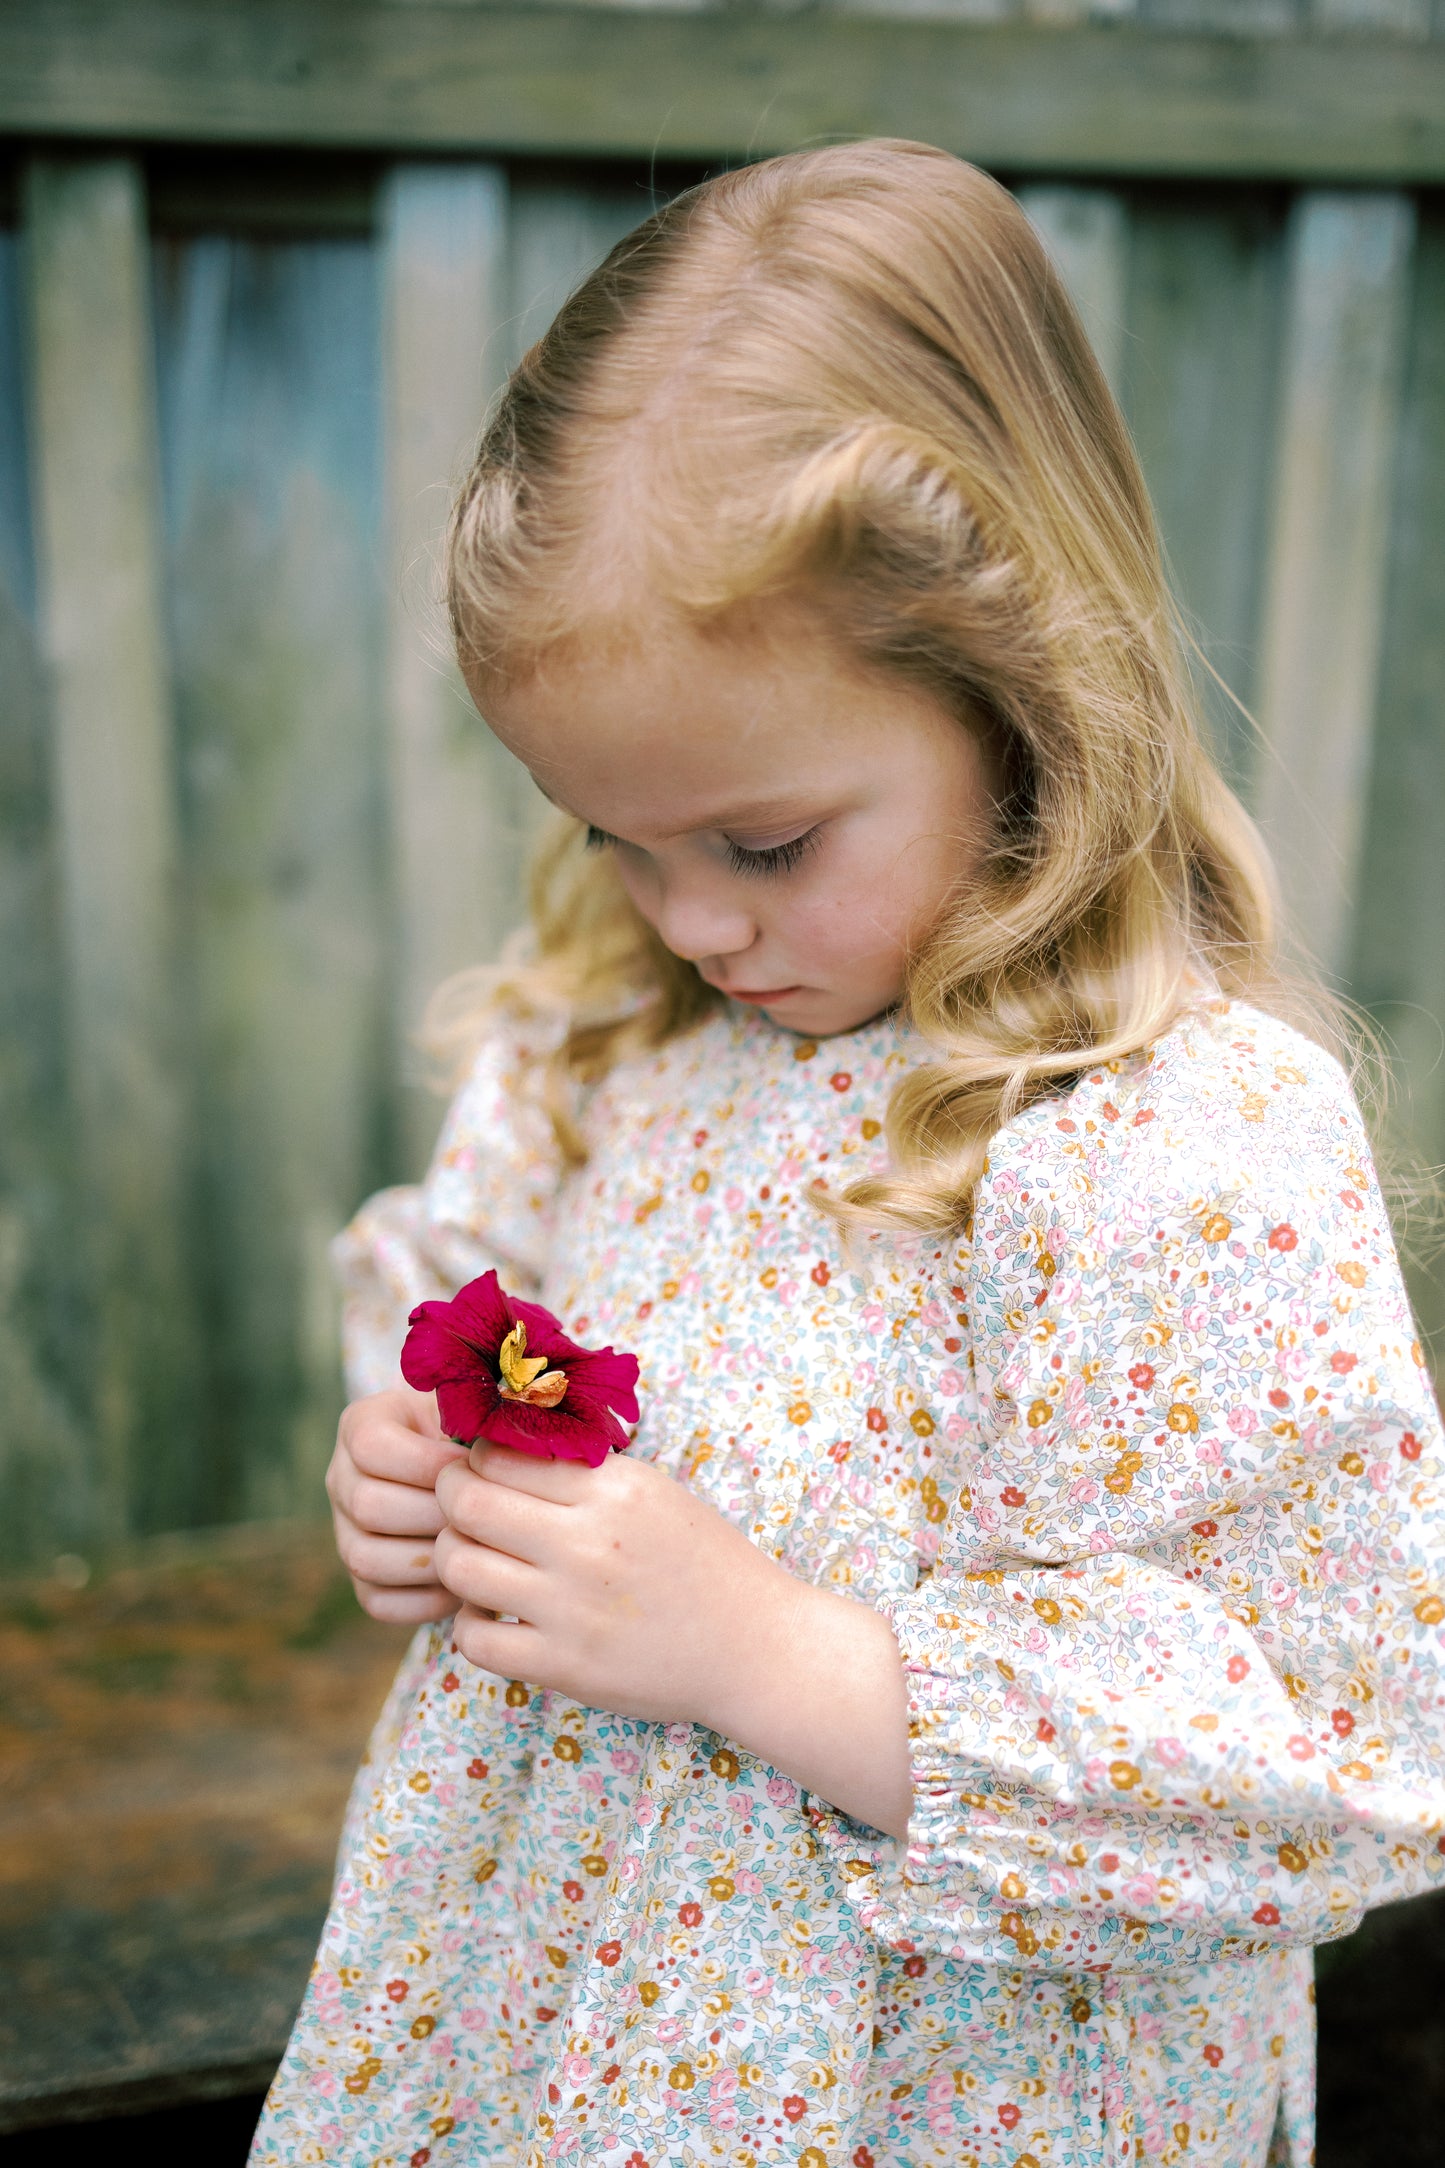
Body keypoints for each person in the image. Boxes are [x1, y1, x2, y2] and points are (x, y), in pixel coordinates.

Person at [250, 141, 1445, 2168]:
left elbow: (1345, 1742)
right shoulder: (606, 1043)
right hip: (553, 2052)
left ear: (1017, 693)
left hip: (939, 2096)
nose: (690, 918)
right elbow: (463, 1314)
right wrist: (420, 1471)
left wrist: (773, 1654)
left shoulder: (1164, 1144)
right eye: (616, 836)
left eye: (764, 842)